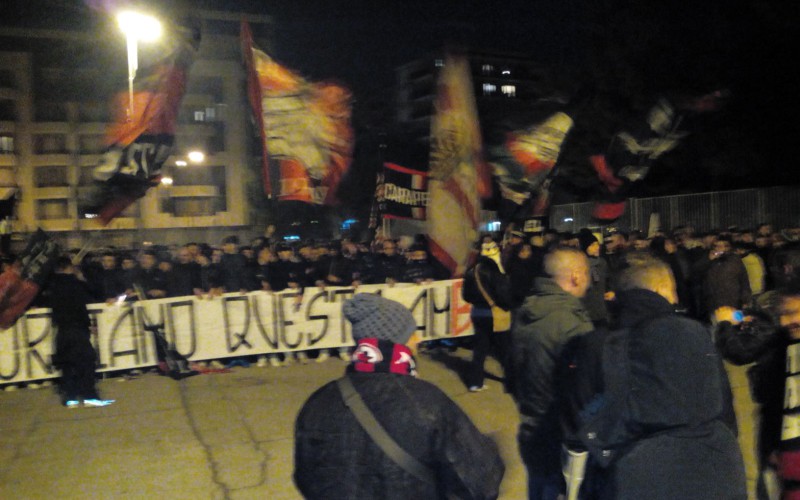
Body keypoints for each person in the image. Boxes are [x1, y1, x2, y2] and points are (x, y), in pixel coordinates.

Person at [294, 293, 505, 499]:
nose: (418, 340)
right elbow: (482, 483)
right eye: (411, 333)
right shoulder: (426, 401)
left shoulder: (319, 401)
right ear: (398, 343)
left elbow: (306, 477)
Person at [575, 255, 745, 499]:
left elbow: (583, 417)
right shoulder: (695, 335)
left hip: (628, 474)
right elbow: (723, 408)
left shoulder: (596, 344)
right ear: (662, 289)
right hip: (710, 469)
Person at [510, 246, 593, 499]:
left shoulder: (529, 309)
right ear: (576, 276)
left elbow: (514, 372)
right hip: (559, 435)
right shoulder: (571, 323)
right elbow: (583, 391)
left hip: (531, 425)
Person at [48, 257, 114, 408]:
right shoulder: (74, 284)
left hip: (63, 329)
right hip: (77, 328)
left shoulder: (52, 286)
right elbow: (87, 300)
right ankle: (89, 394)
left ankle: (70, 396)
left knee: (67, 363)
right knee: (86, 361)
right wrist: (81, 278)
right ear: (67, 268)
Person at [462, 238, 513, 392]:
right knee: (504, 350)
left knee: (480, 349)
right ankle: (511, 382)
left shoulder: (472, 270)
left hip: (477, 313)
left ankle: (475, 382)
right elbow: (503, 294)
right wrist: (507, 305)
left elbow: (466, 296)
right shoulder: (494, 270)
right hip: (495, 315)